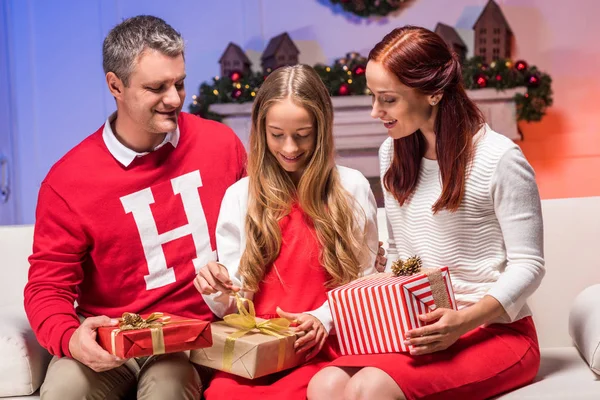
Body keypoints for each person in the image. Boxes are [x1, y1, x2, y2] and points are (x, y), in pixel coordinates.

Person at [308, 26, 545, 400]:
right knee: (325, 384)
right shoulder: (393, 152)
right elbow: (404, 260)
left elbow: (529, 266)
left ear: (434, 92)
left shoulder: (499, 158)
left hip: (495, 331)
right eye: (373, 97)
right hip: (424, 328)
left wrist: (462, 320)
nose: (375, 112)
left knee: (369, 388)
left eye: (387, 99)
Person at [23, 15, 246, 400]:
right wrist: (70, 338)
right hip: (115, 336)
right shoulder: (68, 181)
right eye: (157, 87)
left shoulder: (221, 144)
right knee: (64, 389)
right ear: (116, 85)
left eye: (179, 83)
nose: (175, 99)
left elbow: (259, 234)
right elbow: (48, 285)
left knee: (167, 386)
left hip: (195, 337)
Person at [194, 64, 380, 400]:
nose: (290, 147)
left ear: (322, 130)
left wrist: (323, 318)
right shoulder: (240, 196)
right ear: (261, 130)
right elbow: (234, 307)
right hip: (261, 353)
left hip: (329, 347)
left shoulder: (351, 187)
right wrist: (216, 287)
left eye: (303, 134)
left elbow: (364, 281)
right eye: (277, 134)